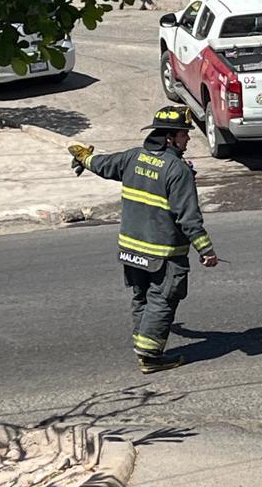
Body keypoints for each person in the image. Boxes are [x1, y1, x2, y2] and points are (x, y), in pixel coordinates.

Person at [68, 106, 219, 374]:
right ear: (170, 138)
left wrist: (84, 158)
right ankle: (150, 357)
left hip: (130, 249)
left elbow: (102, 164)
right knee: (162, 299)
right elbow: (188, 217)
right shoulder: (177, 170)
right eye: (185, 134)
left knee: (141, 298)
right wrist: (205, 250)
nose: (188, 139)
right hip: (163, 253)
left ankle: (142, 344)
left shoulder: (133, 158)